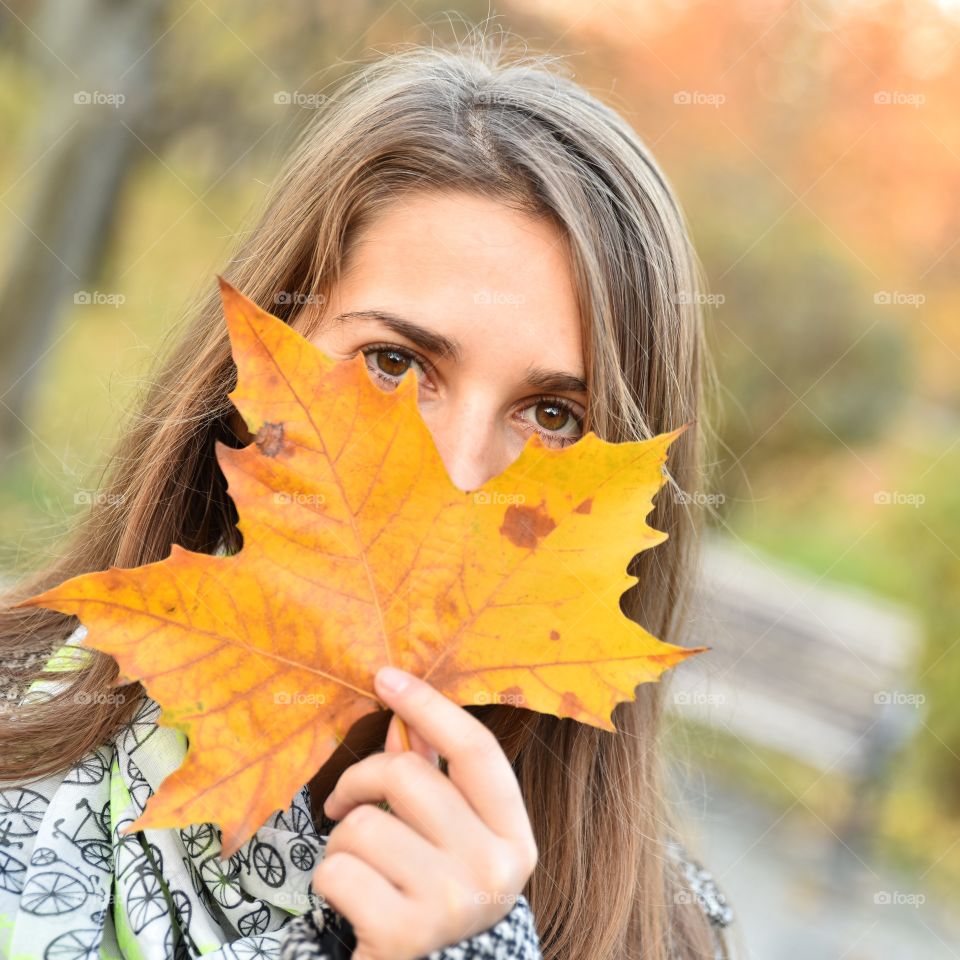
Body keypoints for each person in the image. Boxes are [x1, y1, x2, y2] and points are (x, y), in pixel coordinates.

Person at [0, 31, 735, 960]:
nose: (464, 474)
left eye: (552, 415)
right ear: (254, 367)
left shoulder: (659, 934)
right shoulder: (13, 733)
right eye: (395, 364)